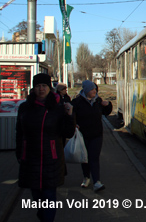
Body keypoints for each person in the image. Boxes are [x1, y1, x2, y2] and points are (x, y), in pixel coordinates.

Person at [16, 73, 75, 222]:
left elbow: (68, 132)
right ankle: (42, 215)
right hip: (31, 157)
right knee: (36, 196)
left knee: (49, 196)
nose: (41, 89)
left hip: (52, 158)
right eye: (37, 86)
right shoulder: (25, 107)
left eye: (44, 86)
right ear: (33, 88)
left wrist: (69, 116)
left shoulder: (58, 107)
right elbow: (19, 132)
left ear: (49, 88)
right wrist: (19, 153)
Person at [71, 80, 112, 192]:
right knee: (85, 158)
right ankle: (86, 177)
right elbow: (72, 115)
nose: (94, 91)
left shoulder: (98, 101)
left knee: (94, 158)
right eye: (92, 89)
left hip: (96, 135)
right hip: (83, 135)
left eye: (95, 89)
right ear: (86, 91)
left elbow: (106, 113)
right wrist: (75, 124)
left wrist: (108, 105)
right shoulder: (77, 102)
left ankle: (97, 182)